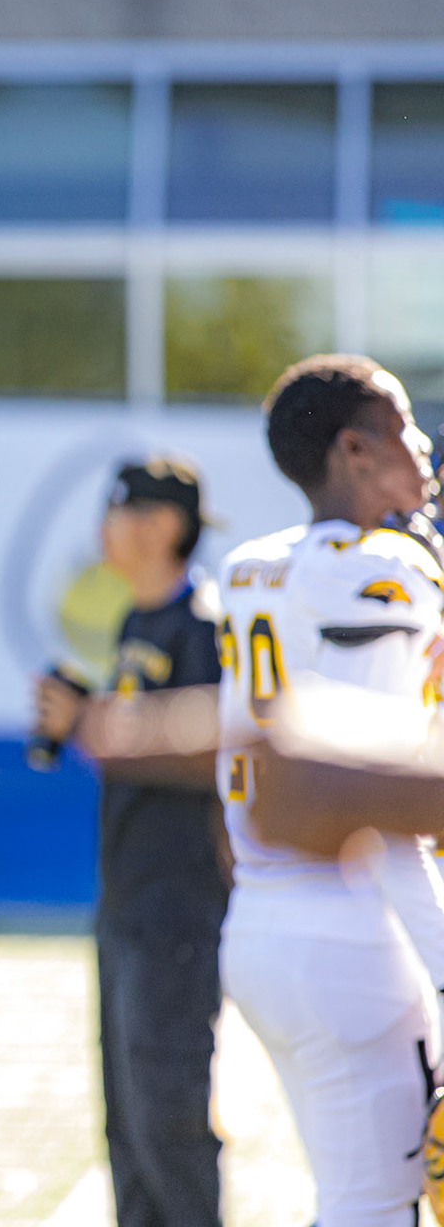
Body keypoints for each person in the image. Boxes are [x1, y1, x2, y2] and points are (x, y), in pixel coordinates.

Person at [211, 354, 444, 1227]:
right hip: (360, 934)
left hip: (261, 922)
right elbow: (377, 805)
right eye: (405, 427)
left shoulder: (251, 567)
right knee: (378, 1209)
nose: (422, 446)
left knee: (354, 1200)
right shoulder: (383, 570)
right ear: (354, 449)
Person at [31, 458, 227, 1227]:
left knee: (166, 1113)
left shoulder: (203, 625)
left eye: (116, 513)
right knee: (127, 1120)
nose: (101, 531)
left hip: (178, 902)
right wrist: (84, 717)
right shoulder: (136, 621)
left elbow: (214, 750)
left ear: (162, 525)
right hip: (128, 900)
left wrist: (91, 722)